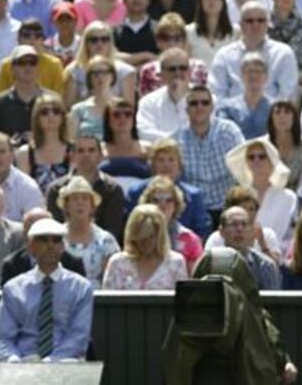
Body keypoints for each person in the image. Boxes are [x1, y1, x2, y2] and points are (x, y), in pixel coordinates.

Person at [0, 218, 94, 362]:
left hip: (66, 365)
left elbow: (78, 338)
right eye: (43, 240)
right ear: (31, 247)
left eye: (56, 240)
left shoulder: (81, 287)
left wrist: (50, 362)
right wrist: (14, 361)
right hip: (23, 366)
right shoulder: (13, 288)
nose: (50, 245)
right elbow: (3, 339)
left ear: (63, 246)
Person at [173, 85, 245, 222]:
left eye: (205, 103)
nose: (199, 107)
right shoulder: (177, 139)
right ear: (187, 109)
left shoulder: (229, 131)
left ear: (212, 107)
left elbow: (243, 166)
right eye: (194, 103)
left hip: (228, 205)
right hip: (193, 209)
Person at [45, 133, 126, 244]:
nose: (86, 155)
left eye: (91, 150)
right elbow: (54, 229)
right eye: (80, 151)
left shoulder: (113, 190)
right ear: (71, 156)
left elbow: (113, 230)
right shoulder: (56, 190)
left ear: (100, 156)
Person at [102, 204, 188, 290]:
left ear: (160, 235)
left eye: (151, 237)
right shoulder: (117, 263)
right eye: (142, 238)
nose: (147, 243)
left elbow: (181, 300)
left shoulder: (176, 263)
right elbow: (106, 298)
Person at [57, 175, 120, 289]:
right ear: (66, 206)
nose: (80, 202)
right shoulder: (55, 237)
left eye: (85, 198)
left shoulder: (105, 240)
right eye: (75, 198)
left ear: (92, 206)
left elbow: (113, 278)